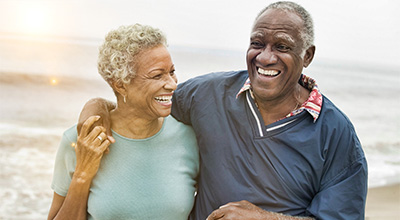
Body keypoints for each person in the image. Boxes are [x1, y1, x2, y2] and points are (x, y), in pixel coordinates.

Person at [78, 1, 368, 219]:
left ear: (307, 55)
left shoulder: (336, 133)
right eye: (257, 43)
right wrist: (95, 110)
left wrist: (265, 218)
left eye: (282, 46)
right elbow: (143, 103)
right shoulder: (208, 94)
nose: (265, 57)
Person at [47, 24, 199, 220]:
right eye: (157, 75)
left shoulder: (189, 137)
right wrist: (82, 174)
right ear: (121, 85)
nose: (172, 84)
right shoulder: (80, 141)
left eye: (172, 71)